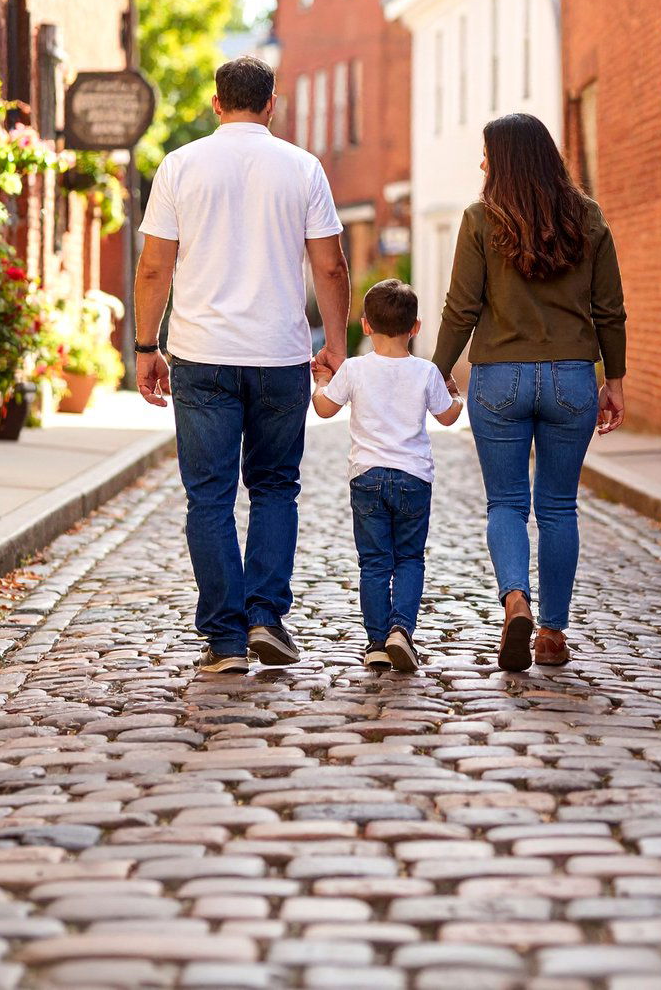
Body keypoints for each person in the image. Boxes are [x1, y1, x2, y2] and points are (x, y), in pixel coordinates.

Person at [133, 56, 350, 675]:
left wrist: (147, 347)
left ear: (216, 102)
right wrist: (335, 344)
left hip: (202, 355)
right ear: (273, 104)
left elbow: (154, 267)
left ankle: (225, 640)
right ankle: (266, 618)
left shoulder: (181, 166)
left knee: (209, 496)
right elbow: (330, 267)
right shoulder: (303, 168)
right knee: (276, 487)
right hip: (280, 354)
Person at [432, 113, 626, 673]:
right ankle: (552, 634)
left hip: (498, 379)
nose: (482, 163)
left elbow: (461, 308)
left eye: (488, 153)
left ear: (508, 159)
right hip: (570, 378)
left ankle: (515, 599)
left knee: (507, 504)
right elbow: (609, 309)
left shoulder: (479, 219)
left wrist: (439, 370)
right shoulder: (587, 219)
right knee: (559, 507)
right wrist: (614, 380)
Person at [312, 279, 463, 672]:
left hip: (367, 478)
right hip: (414, 478)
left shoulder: (354, 369)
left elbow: (324, 410)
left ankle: (377, 642)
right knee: (410, 558)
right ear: (416, 327)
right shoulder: (427, 372)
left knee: (375, 562)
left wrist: (321, 381)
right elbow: (448, 416)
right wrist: (457, 395)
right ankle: (402, 631)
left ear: (365, 325)